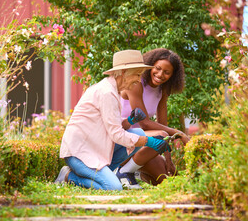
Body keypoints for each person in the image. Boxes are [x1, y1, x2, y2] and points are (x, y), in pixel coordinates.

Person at [54, 49, 172, 190]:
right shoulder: (107, 93)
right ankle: (68, 176)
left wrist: (130, 120)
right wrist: (149, 141)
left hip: (95, 149)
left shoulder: (113, 90)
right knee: (114, 188)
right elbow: (117, 135)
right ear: (123, 73)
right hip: (79, 154)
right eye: (137, 74)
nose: (138, 79)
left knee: (139, 133)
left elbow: (113, 125)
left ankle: (105, 174)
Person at [116, 48, 190, 187]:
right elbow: (144, 123)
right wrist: (179, 133)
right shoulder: (136, 83)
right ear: (150, 65)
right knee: (160, 135)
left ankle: (135, 170)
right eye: (157, 68)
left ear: (173, 75)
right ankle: (124, 171)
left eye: (167, 72)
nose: (160, 74)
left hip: (142, 145)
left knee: (169, 179)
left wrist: (168, 160)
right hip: (120, 139)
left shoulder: (162, 91)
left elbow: (163, 125)